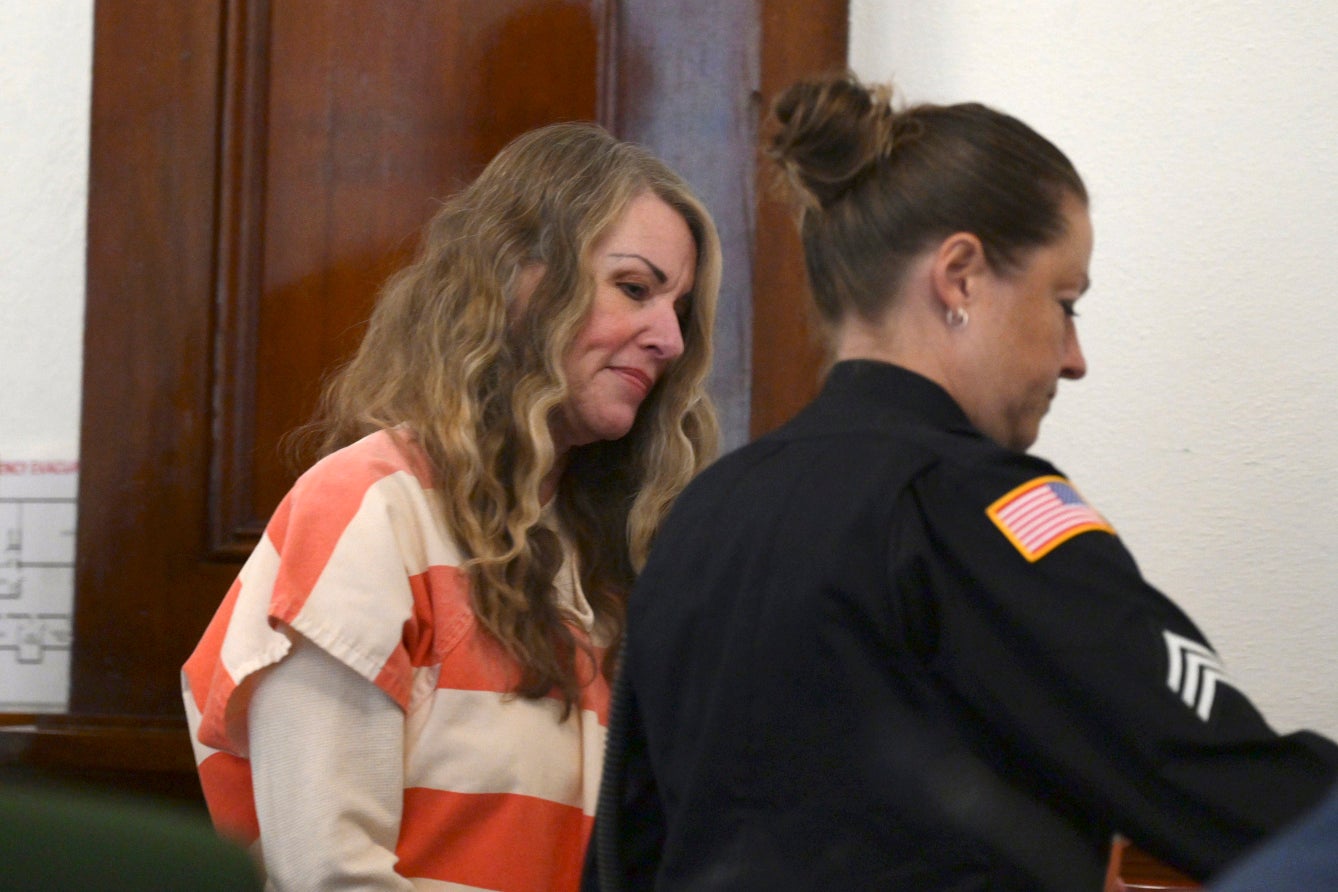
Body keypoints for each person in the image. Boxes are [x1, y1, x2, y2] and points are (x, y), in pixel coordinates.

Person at [585, 72, 1338, 891]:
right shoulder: (973, 508)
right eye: (1065, 300)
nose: (1074, 358)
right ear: (962, 276)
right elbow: (1231, 788)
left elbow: (626, 861)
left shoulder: (703, 516)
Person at [181, 121, 722, 890]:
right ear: (519, 277)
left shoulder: (598, 560)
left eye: (679, 308)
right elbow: (327, 875)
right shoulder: (370, 509)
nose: (668, 338)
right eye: (635, 288)